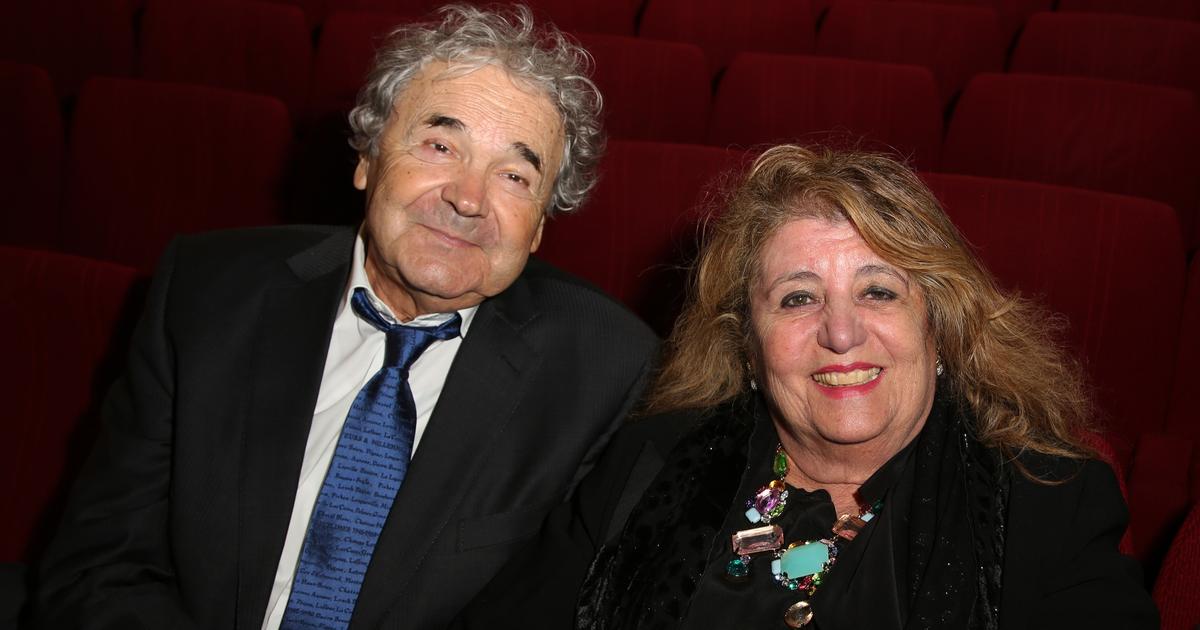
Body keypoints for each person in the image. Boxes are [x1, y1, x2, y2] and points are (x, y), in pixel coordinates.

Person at [34, 5, 658, 629]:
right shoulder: (208, 296)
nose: (469, 198)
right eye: (441, 146)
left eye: (515, 176)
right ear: (367, 157)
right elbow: (97, 571)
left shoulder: (604, 372)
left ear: (540, 225)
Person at [463, 145, 1158, 629]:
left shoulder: (1048, 502)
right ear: (749, 345)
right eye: (798, 298)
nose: (842, 333)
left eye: (879, 291)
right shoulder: (646, 465)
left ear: (939, 326)